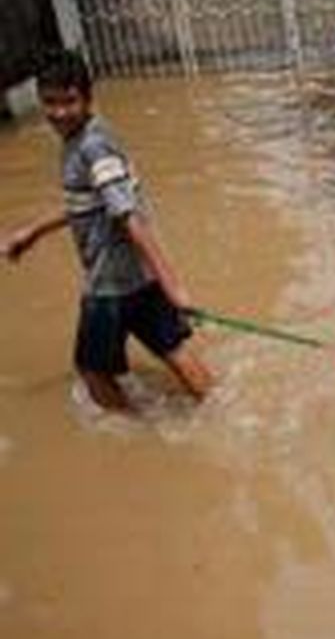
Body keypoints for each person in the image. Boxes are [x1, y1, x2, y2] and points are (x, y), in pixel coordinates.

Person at [2, 49, 212, 412]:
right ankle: (217, 408)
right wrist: (33, 232)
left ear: (87, 97)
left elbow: (127, 215)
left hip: (109, 283)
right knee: (172, 349)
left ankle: (137, 438)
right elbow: (90, 203)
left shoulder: (92, 148)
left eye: (68, 101)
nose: (59, 113)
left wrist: (174, 286)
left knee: (92, 370)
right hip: (138, 274)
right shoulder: (90, 136)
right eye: (50, 102)